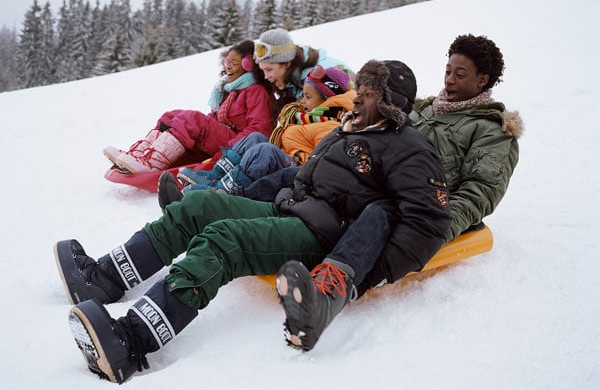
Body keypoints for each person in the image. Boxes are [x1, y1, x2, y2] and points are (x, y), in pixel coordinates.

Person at [55, 59, 451, 383]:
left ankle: (131, 341)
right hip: (289, 208)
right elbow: (300, 177)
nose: (357, 101)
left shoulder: (411, 150)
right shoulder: (345, 132)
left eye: (368, 95)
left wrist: (360, 274)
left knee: (224, 240)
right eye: (359, 91)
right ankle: (104, 277)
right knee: (198, 208)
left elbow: (427, 223)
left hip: (320, 236)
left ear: (391, 102)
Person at [275, 34, 522, 351]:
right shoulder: (425, 109)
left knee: (381, 210)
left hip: (416, 207)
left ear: (483, 80)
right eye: (448, 70)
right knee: (292, 175)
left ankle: (324, 300)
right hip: (373, 188)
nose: (449, 79)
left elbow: (480, 191)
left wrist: (435, 225)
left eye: (460, 74)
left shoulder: (491, 131)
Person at [160, 64, 355, 205]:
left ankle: (221, 190)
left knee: (265, 150)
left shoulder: (329, 126)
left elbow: (321, 165)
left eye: (308, 97)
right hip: (286, 159)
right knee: (255, 139)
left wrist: (291, 156)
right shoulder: (308, 117)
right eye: (302, 95)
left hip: (298, 172)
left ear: (329, 99)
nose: (302, 101)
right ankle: (215, 177)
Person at [103, 40, 274, 174]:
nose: (228, 66)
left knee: (192, 119)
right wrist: (201, 127)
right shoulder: (229, 89)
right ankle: (139, 155)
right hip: (224, 136)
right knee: (171, 116)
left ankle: (151, 163)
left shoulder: (256, 91)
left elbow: (260, 130)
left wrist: (226, 145)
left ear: (248, 65)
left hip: (237, 144)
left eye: (234, 63)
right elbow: (216, 118)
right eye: (227, 61)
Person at [252, 28, 352, 114]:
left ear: (287, 63)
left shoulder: (324, 75)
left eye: (269, 69)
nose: (266, 76)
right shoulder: (294, 79)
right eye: (263, 70)